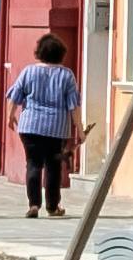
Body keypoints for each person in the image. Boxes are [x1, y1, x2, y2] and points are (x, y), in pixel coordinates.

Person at [5, 33, 82, 218]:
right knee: (53, 167)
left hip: (30, 126)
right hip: (56, 129)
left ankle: (33, 204)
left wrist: (10, 117)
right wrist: (79, 128)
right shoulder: (66, 75)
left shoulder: (28, 72)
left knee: (33, 164)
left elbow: (14, 96)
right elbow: (74, 106)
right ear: (60, 54)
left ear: (39, 52)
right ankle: (52, 206)